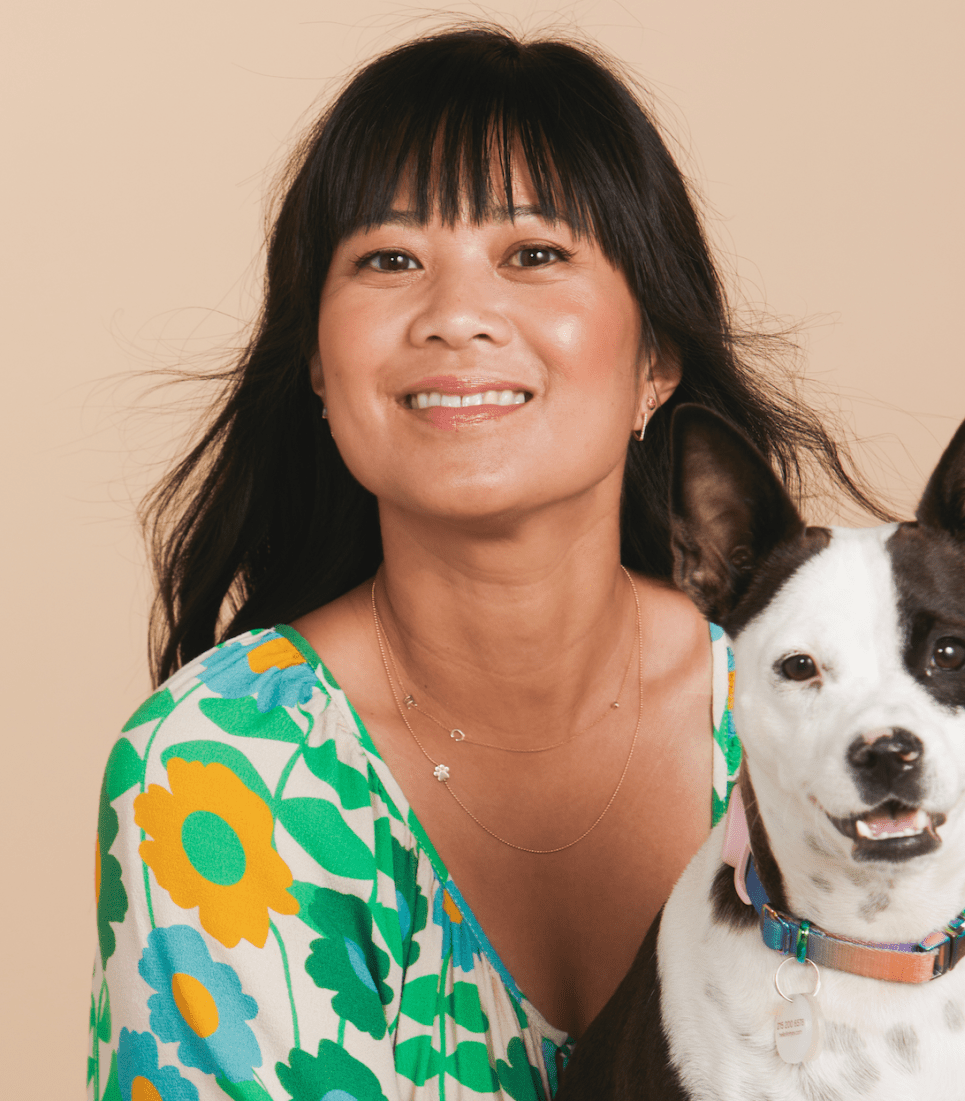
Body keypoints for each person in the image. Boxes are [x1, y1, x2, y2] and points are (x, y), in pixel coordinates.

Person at [88, 26, 880, 1101]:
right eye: (388, 260)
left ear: (657, 357)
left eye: (535, 255)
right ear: (317, 367)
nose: (456, 317)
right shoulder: (219, 769)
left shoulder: (822, 695)